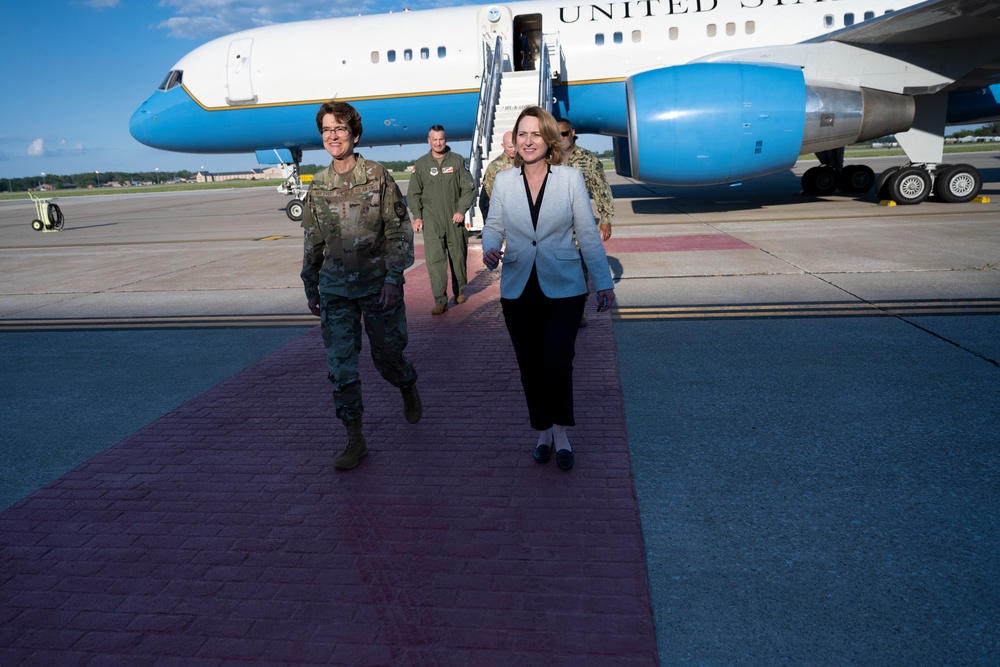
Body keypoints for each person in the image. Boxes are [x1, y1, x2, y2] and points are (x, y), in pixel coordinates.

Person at [482, 106, 616, 472]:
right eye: (522, 134)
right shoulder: (505, 182)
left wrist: (603, 282)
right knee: (529, 366)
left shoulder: (571, 179)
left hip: (565, 287)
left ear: (548, 139)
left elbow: (587, 233)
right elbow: (492, 225)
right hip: (518, 287)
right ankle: (542, 431)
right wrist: (489, 247)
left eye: (535, 134)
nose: (528, 141)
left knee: (556, 361)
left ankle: (561, 433)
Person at [300, 100, 422, 471]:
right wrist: (310, 286)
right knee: (341, 368)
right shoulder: (318, 185)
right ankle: (355, 438)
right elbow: (313, 241)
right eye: (326, 130)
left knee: (386, 358)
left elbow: (399, 232)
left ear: (354, 134)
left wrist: (393, 278)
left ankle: (406, 381)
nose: (332, 136)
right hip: (335, 289)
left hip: (376, 286)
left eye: (339, 129)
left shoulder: (377, 176)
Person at [408, 125, 475, 315]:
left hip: (455, 218)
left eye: (441, 139)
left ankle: (460, 290)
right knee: (435, 261)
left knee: (458, 257)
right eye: (434, 139)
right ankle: (440, 299)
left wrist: (461, 210)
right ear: (428, 141)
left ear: (446, 140)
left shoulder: (457, 160)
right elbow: (413, 193)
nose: (438, 143)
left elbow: (469, 188)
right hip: (432, 220)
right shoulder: (421, 164)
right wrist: (418, 216)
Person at [557, 117, 615, 327]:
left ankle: (576, 312)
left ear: (572, 133)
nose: (560, 138)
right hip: (553, 225)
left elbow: (601, 188)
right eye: (556, 135)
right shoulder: (548, 157)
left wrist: (606, 219)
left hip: (578, 224)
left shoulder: (587, 159)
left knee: (580, 270)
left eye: (563, 134)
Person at [478, 130, 517, 218]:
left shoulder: (525, 162)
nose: (514, 149)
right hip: (503, 215)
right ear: (503, 146)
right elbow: (486, 198)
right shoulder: (494, 167)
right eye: (510, 147)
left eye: (515, 145)